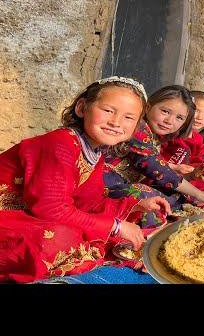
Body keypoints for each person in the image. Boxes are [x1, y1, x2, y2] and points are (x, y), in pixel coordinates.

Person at [0, 76, 171, 282]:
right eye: (108, 110)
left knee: (116, 222)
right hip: (9, 214)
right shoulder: (60, 144)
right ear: (82, 108)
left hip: (33, 216)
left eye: (128, 117)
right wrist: (115, 227)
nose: (116, 122)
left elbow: (87, 203)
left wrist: (135, 206)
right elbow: (51, 209)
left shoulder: (93, 153)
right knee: (58, 239)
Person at [103, 85, 204, 228]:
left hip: (125, 184)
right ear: (148, 106)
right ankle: (148, 230)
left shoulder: (156, 136)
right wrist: (199, 194)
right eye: (165, 111)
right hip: (104, 188)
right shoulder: (138, 127)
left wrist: (190, 175)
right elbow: (156, 168)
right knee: (144, 193)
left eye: (179, 118)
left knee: (172, 195)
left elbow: (153, 169)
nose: (169, 121)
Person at [161, 90, 204, 173]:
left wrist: (199, 168)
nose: (200, 117)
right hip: (164, 170)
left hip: (186, 173)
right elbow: (156, 155)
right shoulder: (173, 131)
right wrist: (175, 168)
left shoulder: (198, 138)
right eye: (196, 111)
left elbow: (198, 160)